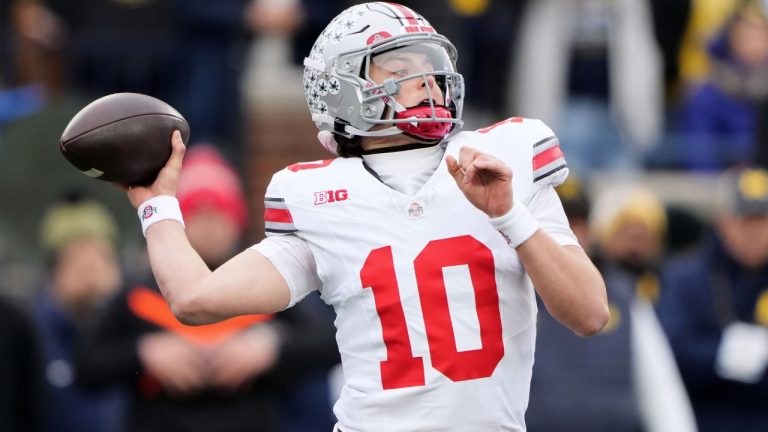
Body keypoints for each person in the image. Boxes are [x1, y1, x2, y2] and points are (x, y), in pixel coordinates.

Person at [124, 3, 608, 431]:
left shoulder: (505, 155)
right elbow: (195, 299)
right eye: (401, 67)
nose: (427, 80)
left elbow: (590, 313)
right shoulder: (315, 196)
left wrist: (509, 216)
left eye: (430, 65)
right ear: (341, 90)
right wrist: (157, 204)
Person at [76, 145, 339, 432]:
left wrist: (271, 347)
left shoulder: (262, 280)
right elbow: (85, 366)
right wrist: (143, 353)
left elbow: (330, 342)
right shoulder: (139, 293)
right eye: (198, 213)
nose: (210, 226)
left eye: (219, 212)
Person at [657, 167, 768, 432]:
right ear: (723, 222)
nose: (755, 232)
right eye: (746, 221)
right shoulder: (686, 278)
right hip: (705, 419)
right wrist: (725, 354)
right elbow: (669, 352)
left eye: (762, 221)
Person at [35, 193, 127, 432]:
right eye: (77, 259)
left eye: (102, 257)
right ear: (55, 267)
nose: (91, 271)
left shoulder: (126, 329)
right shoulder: (33, 333)